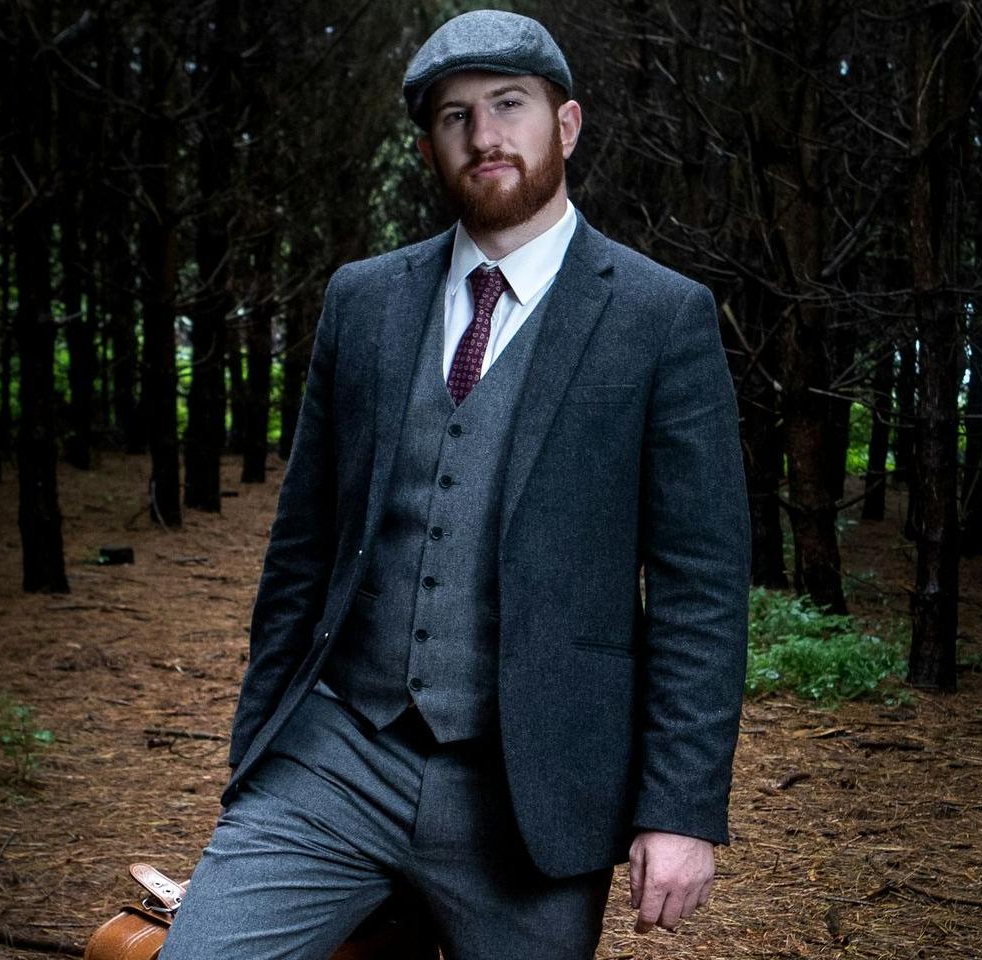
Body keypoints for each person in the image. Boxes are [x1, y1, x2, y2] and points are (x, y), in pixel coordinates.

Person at [160, 9, 749, 960]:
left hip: (532, 794)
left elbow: (701, 589)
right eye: (454, 115)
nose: (484, 136)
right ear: (431, 145)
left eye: (508, 105)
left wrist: (681, 809)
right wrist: (257, 749)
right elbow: (302, 547)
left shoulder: (660, 318)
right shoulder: (363, 299)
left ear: (565, 125)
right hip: (335, 757)